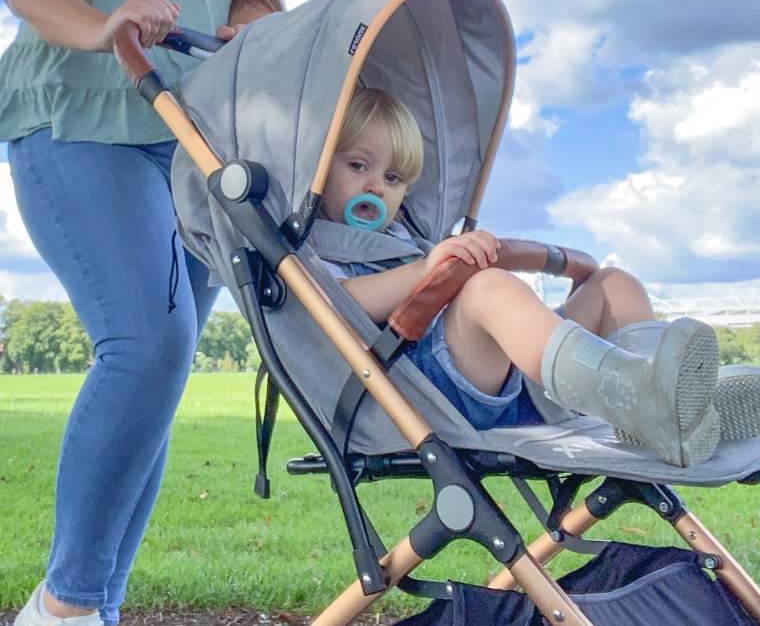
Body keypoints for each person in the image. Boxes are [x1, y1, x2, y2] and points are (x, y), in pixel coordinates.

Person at [0, 0, 286, 624]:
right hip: (78, 111)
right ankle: (66, 606)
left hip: (195, 138)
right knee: (148, 344)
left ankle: (94, 607)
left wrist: (250, 38)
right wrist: (106, 26)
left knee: (160, 372)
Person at [315, 87, 760, 468]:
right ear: (320, 169)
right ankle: (641, 400)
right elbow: (338, 304)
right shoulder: (318, 250)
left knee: (613, 284)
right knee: (485, 287)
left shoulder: (406, 239)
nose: (376, 186)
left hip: (518, 381)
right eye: (358, 166)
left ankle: (658, 394)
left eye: (393, 178)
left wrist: (432, 261)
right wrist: (428, 270)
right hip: (430, 392)